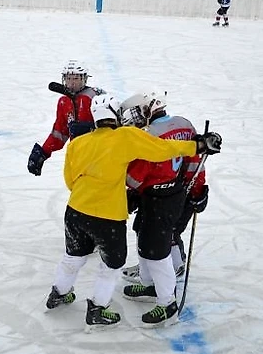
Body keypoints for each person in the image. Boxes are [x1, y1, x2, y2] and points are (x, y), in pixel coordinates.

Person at [44, 94, 222, 331]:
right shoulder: (125, 137)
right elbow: (163, 149)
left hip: (75, 211)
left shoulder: (78, 143)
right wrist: (198, 145)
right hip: (108, 216)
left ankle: (59, 293)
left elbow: (70, 181)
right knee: (111, 264)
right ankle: (98, 308)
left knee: (74, 255)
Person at [117, 92, 209, 327]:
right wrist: (197, 190)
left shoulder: (148, 137)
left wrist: (125, 191)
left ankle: (167, 304)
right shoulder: (183, 124)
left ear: (148, 111)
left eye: (136, 113)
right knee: (145, 234)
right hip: (175, 194)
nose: (132, 119)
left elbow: (134, 177)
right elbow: (193, 160)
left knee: (156, 250)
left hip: (157, 197)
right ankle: (151, 284)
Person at [27, 60, 105, 176]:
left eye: (76, 78)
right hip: (77, 154)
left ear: (84, 79)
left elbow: (112, 125)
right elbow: (60, 132)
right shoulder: (64, 102)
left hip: (100, 154)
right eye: (69, 78)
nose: (72, 83)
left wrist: (90, 128)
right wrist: (44, 151)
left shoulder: (95, 97)